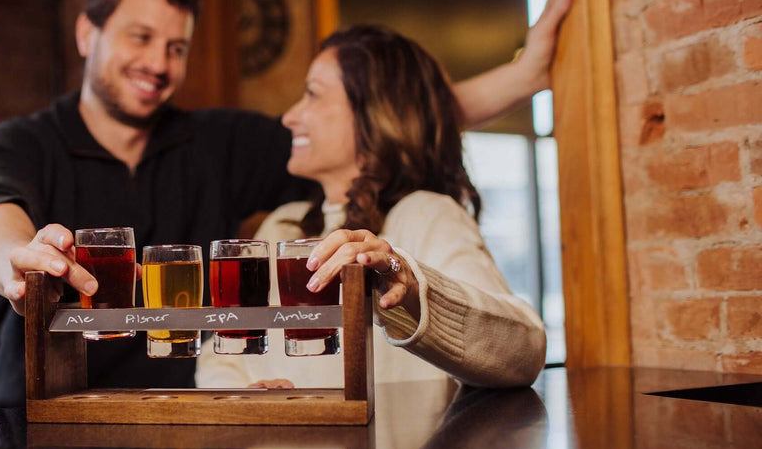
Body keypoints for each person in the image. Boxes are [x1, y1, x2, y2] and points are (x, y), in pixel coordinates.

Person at [0, 0, 570, 407]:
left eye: (178, 47)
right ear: (88, 33)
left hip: (185, 436)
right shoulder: (20, 142)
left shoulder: (220, 144)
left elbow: (383, 120)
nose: (159, 64)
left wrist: (520, 83)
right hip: (46, 425)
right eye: (141, 38)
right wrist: (14, 261)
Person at [196, 27, 546, 390]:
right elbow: (222, 357)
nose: (289, 117)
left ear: (374, 114)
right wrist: (237, 398)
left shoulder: (425, 215)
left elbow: (522, 350)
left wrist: (410, 288)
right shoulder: (282, 226)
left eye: (312, 95)